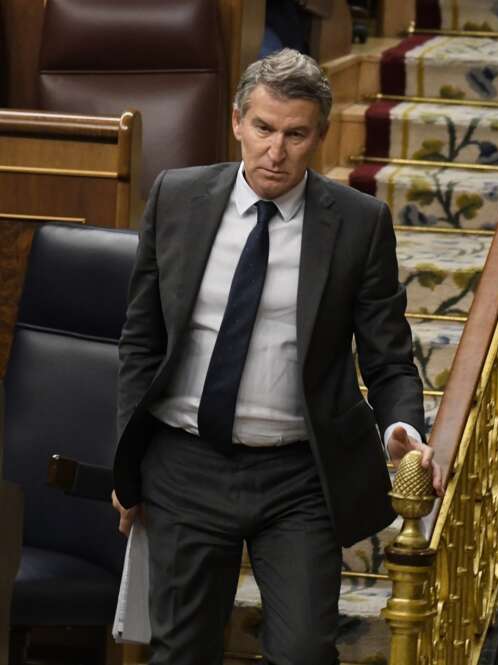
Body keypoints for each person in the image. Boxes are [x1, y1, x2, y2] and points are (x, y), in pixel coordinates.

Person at [110, 48, 443, 664]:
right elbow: (141, 339)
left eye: (295, 135)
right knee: (180, 653)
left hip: (298, 478)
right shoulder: (176, 197)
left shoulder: (358, 223)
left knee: (306, 652)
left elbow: (389, 358)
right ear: (238, 121)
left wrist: (401, 427)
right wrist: (128, 461)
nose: (275, 151)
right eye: (263, 129)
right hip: (184, 464)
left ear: (318, 136)